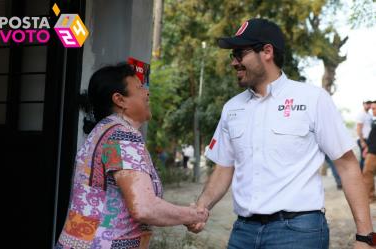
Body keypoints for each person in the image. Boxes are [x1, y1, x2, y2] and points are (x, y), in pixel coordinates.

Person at [186, 18, 375, 249]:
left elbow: (347, 166)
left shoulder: (313, 99)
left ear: (267, 51)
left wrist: (365, 237)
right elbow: (224, 168)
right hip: (243, 232)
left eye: (239, 54)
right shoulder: (232, 108)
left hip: (299, 233)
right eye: (232, 56)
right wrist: (201, 207)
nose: (234, 62)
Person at [55, 63, 208, 249]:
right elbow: (144, 207)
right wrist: (195, 215)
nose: (147, 92)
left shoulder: (102, 131)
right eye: (139, 87)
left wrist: (185, 214)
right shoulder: (123, 135)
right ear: (120, 100)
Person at [363, 101, 376, 203]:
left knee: (367, 172)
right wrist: (367, 148)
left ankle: (370, 197)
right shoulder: (374, 121)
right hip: (371, 150)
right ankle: (370, 196)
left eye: (374, 108)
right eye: (372, 109)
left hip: (373, 152)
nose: (373, 111)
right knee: (367, 173)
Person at [356, 100, 373, 170]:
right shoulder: (361, 114)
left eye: (370, 103)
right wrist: (362, 141)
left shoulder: (369, 115)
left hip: (368, 139)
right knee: (364, 158)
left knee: (366, 158)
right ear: (363, 104)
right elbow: (359, 128)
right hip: (363, 139)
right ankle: (361, 176)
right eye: (367, 103)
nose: (369, 105)